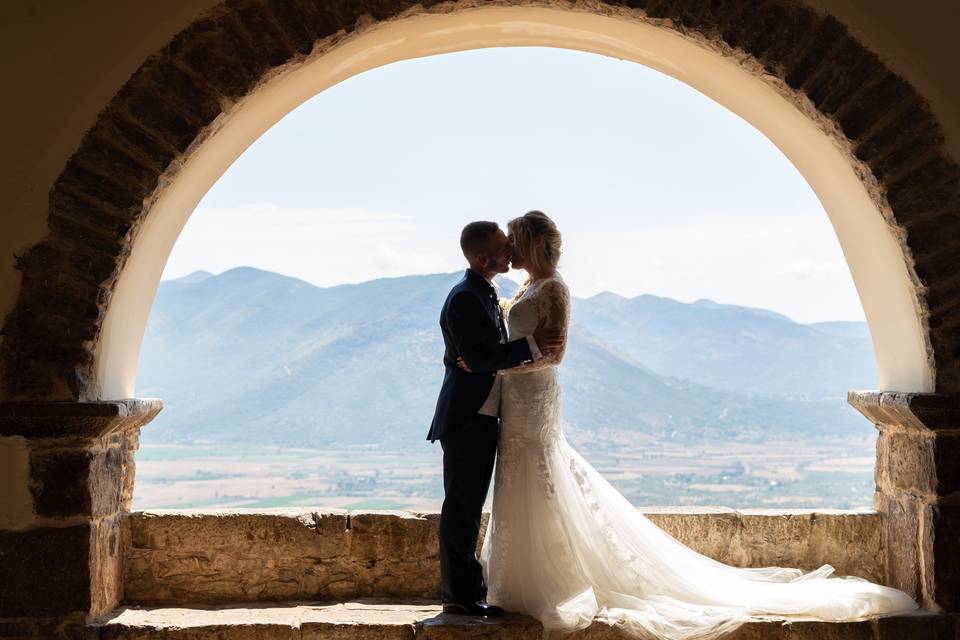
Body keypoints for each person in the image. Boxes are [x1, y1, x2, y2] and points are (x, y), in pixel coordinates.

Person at [456, 210, 918, 639]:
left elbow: (553, 354)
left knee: (539, 474)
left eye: (514, 241)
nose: (509, 250)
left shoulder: (553, 288)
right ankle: (516, 583)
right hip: (515, 402)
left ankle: (547, 583)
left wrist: (489, 367)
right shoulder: (526, 287)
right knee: (519, 477)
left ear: (533, 244)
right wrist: (498, 362)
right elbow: (526, 345)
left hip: (535, 399)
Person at [427, 220, 564, 616]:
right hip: (469, 415)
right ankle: (459, 596)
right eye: (503, 247)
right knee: (462, 507)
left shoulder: (487, 291)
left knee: (468, 506)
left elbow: (481, 357)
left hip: (486, 413)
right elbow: (480, 358)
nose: (509, 251)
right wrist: (532, 346)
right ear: (481, 257)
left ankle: (467, 593)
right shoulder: (467, 297)